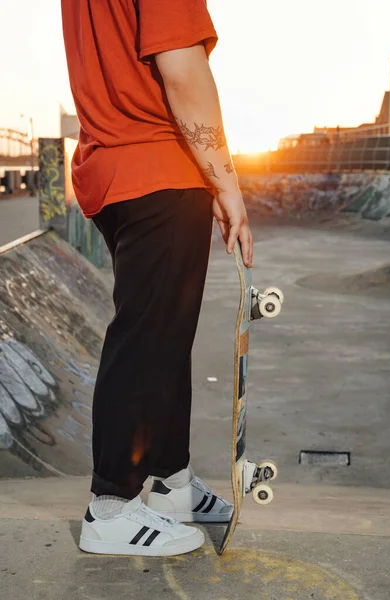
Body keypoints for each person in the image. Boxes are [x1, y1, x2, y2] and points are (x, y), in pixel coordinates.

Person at [61, 0, 253, 557]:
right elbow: (182, 68)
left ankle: (171, 482)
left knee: (164, 334)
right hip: (158, 167)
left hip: (112, 169)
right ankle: (111, 507)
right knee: (148, 338)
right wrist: (227, 184)